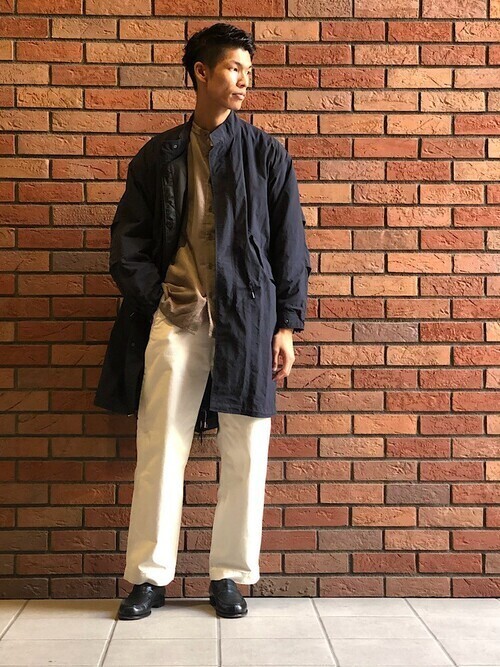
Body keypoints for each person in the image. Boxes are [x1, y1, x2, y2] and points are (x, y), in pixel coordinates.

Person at [95, 22, 310, 621]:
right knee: (160, 444)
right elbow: (127, 243)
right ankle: (149, 577)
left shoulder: (267, 155)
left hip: (250, 318)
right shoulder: (159, 155)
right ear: (201, 72)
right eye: (234, 69)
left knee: (247, 449)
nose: (244, 81)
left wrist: (286, 325)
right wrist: (156, 299)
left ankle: (230, 576)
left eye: (248, 71)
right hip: (177, 317)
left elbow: (290, 246)